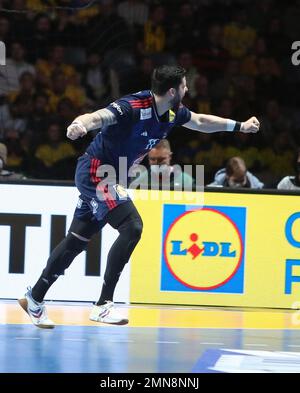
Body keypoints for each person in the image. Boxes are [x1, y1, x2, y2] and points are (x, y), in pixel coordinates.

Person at [18, 65, 260, 328]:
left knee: (77, 240)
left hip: (112, 176)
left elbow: (200, 121)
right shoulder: (133, 106)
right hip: (97, 172)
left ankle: (34, 297)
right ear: (172, 90)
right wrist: (80, 123)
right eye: (184, 85)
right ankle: (103, 304)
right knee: (132, 226)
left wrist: (241, 126)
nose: (187, 89)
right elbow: (99, 117)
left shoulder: (171, 112)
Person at [130, 138, 194, 190]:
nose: (157, 163)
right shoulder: (140, 180)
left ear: (170, 156)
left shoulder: (186, 181)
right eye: (153, 159)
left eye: (161, 159)